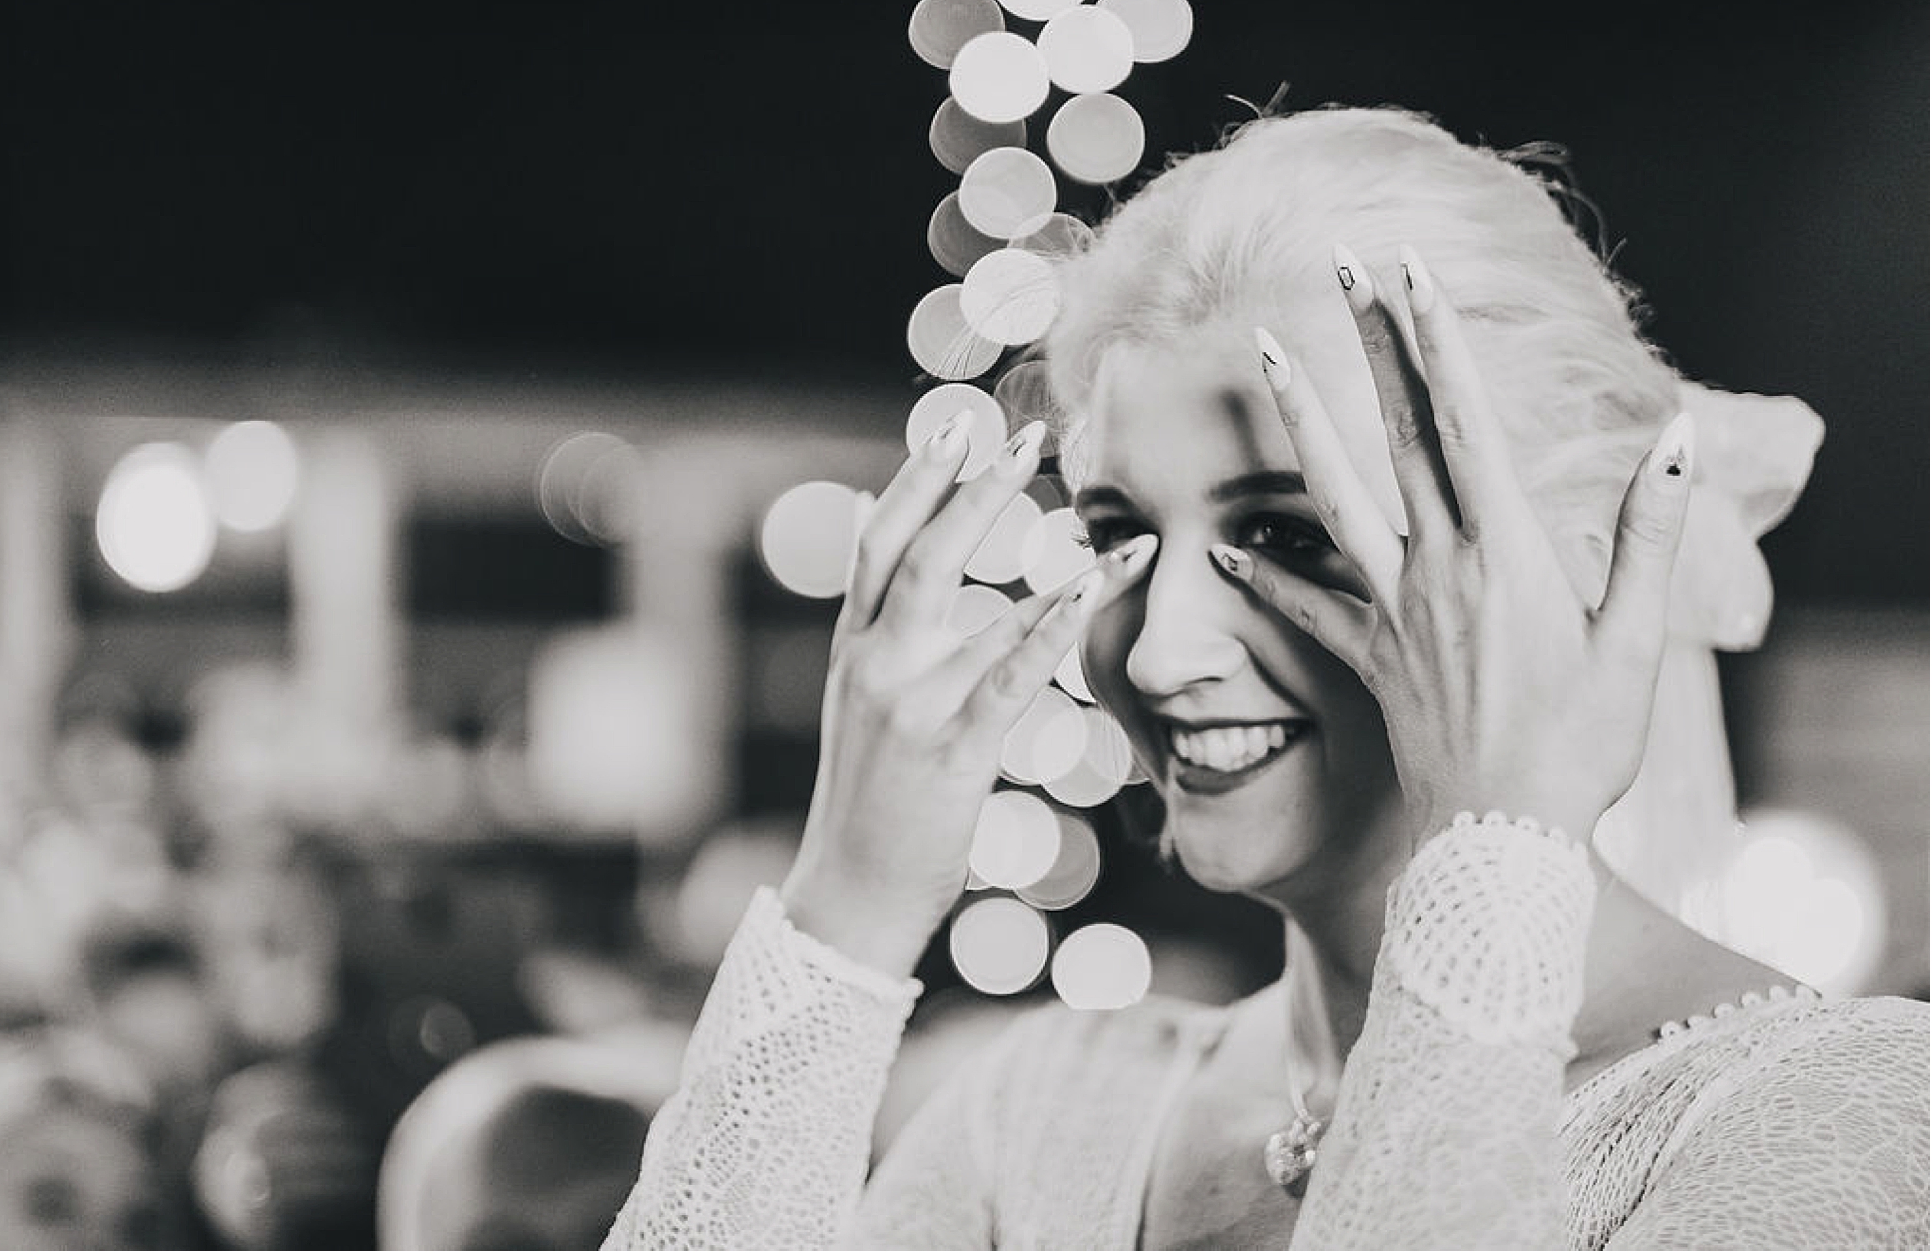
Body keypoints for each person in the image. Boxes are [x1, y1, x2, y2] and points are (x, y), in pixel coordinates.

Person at [603, 107, 1929, 1249]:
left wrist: (1500, 846)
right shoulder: (1045, 1107)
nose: (1163, 653)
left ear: (1575, 573)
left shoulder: (1841, 1116)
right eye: (1119, 531)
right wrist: (845, 912)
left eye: (1291, 536)